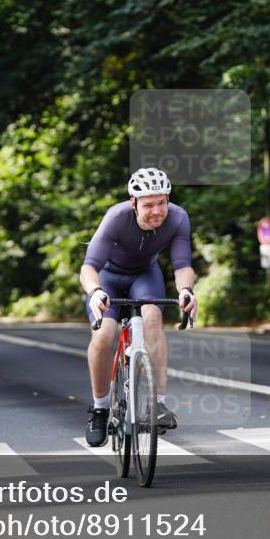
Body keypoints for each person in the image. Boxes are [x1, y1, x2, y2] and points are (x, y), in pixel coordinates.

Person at [79, 167, 197, 447]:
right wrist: (95, 291)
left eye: (161, 203)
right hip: (107, 277)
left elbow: (182, 265)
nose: (156, 211)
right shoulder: (116, 218)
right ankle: (100, 409)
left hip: (144, 276)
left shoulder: (178, 218)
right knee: (104, 335)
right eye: (148, 205)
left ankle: (158, 405)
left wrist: (186, 291)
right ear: (133, 203)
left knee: (153, 317)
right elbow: (89, 267)